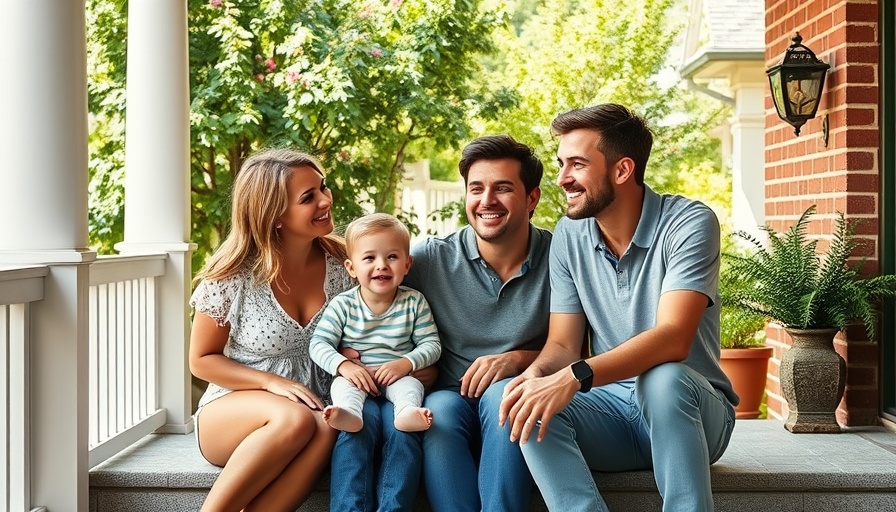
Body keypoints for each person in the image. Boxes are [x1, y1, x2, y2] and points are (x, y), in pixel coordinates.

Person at [499, 103, 738, 512]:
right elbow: (562, 345)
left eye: (576, 164)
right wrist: (537, 376)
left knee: (661, 379)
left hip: (692, 414)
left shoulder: (688, 223)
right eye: (561, 164)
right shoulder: (569, 236)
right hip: (613, 413)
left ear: (622, 170)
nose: (562, 179)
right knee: (531, 404)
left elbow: (673, 339)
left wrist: (575, 376)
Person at [329, 134, 552, 512]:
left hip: (522, 395)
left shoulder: (559, 257)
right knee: (441, 416)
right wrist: (355, 356)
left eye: (503, 188)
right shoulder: (429, 259)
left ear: (532, 198)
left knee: (506, 395)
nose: (487, 201)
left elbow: (577, 349)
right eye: (476, 188)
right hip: (450, 396)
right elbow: (371, 289)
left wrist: (517, 360)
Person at [188, 148, 354, 512]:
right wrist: (271, 383)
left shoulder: (344, 265)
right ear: (274, 214)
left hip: (314, 414)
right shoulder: (232, 276)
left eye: (323, 188)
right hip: (233, 413)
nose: (325, 200)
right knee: (294, 418)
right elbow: (201, 360)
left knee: (326, 426)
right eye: (308, 197)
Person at [309, 213, 441, 433]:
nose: (381, 265)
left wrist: (406, 363)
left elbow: (432, 344)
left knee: (411, 387)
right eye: (369, 258)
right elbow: (318, 343)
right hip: (357, 378)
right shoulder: (343, 304)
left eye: (392, 257)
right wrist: (344, 366)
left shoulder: (414, 302)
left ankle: (407, 412)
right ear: (351, 268)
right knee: (342, 385)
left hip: (399, 376)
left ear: (407, 264)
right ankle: (349, 413)